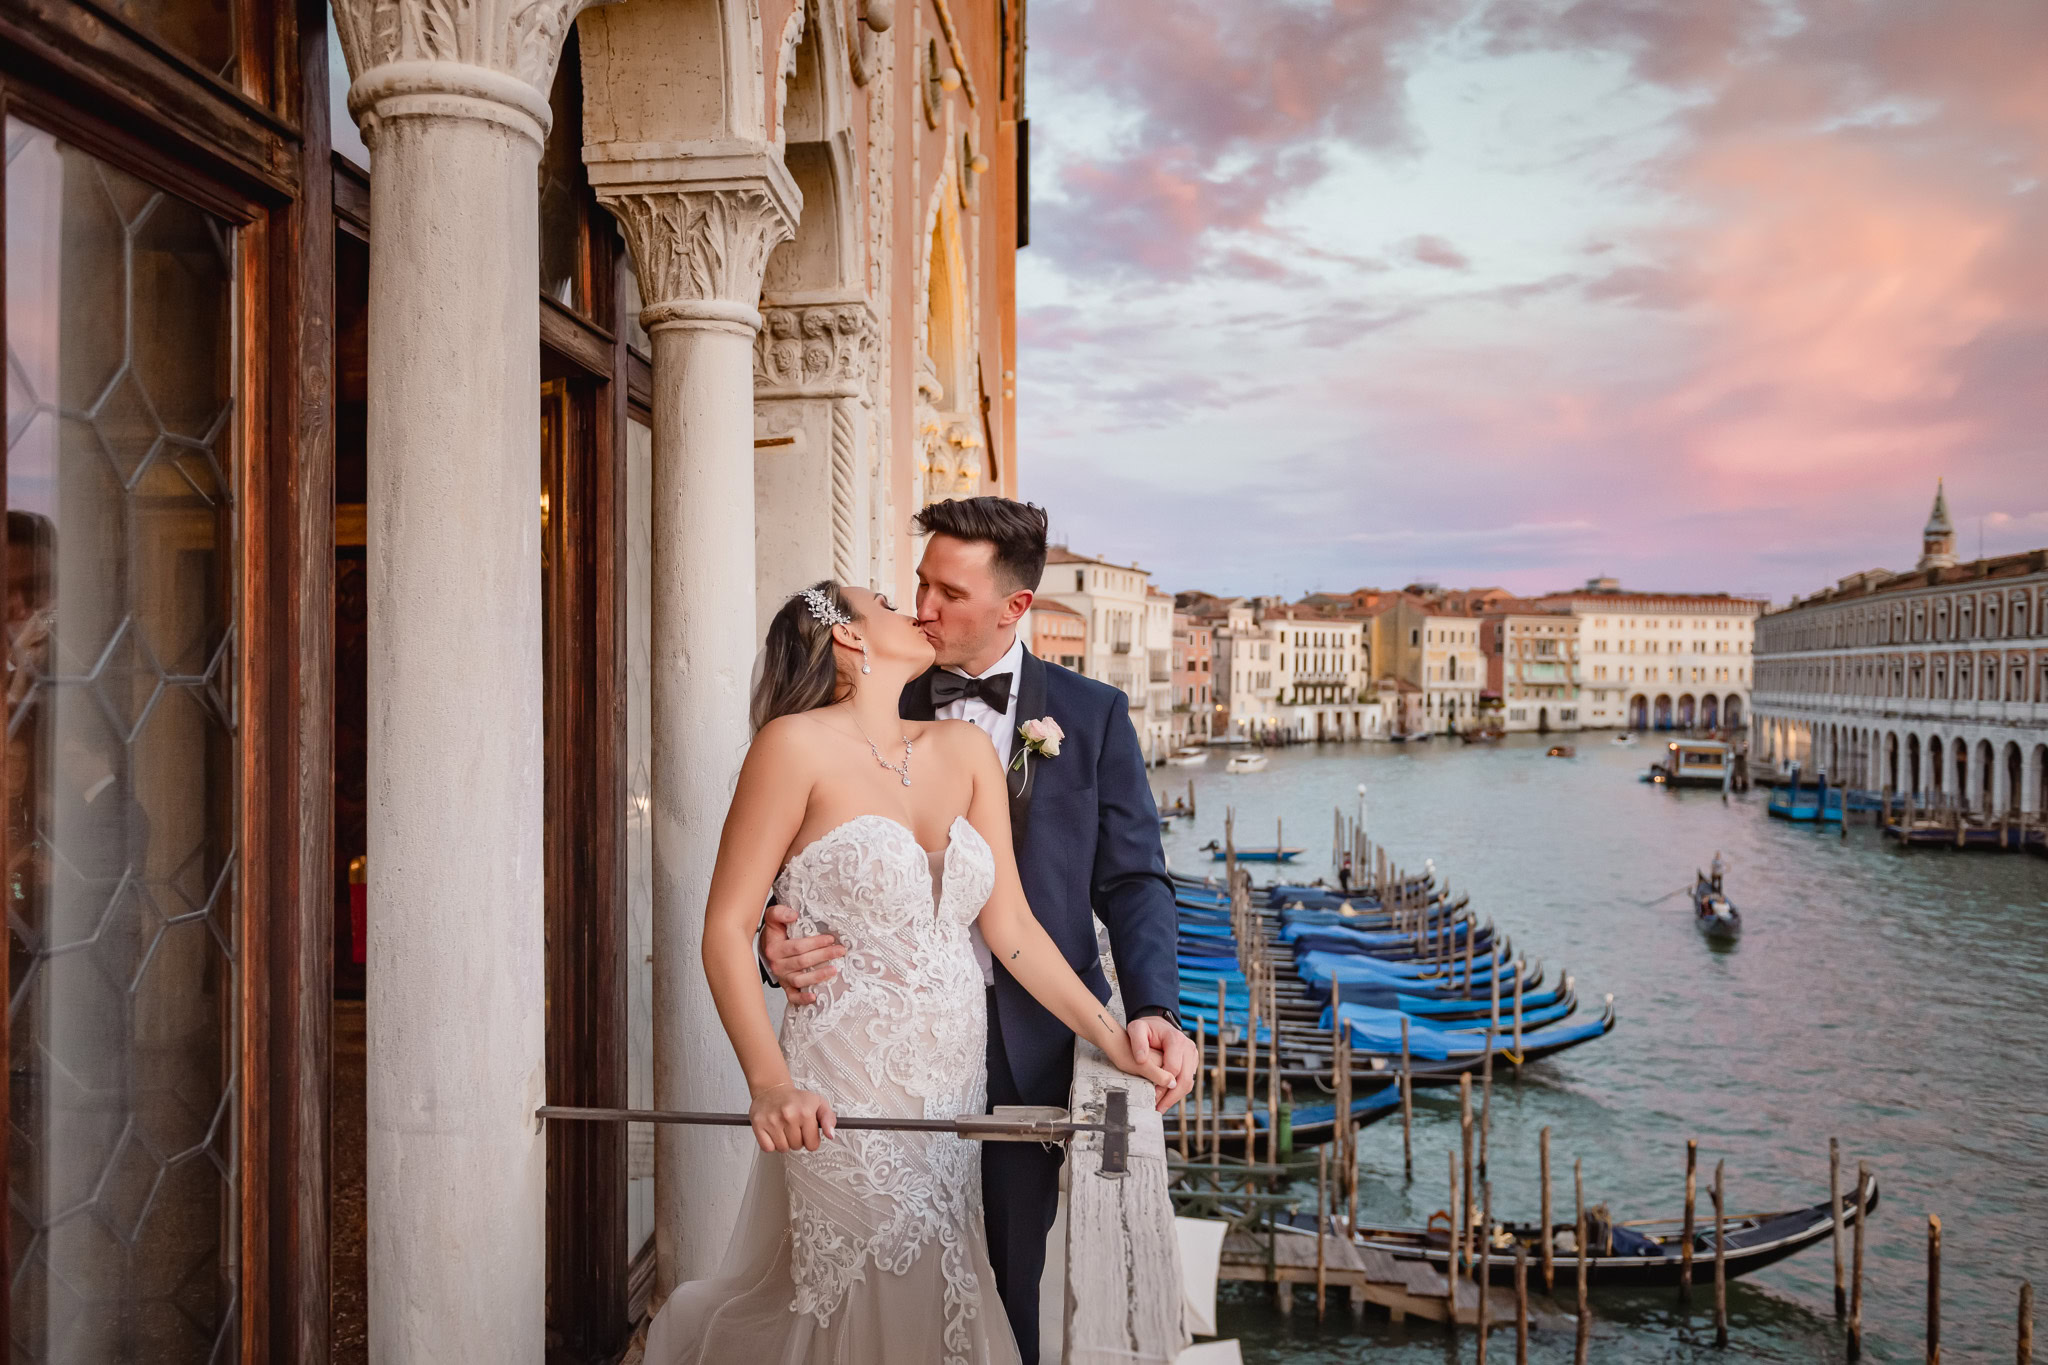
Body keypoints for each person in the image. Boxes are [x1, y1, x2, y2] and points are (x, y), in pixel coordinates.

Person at [642, 578, 1175, 1365]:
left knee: (942, 1282)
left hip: (951, 1084)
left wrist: (1117, 1036)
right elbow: (727, 927)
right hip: (846, 1076)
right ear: (852, 639)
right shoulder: (790, 747)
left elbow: (1015, 929)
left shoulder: (961, 751)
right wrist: (769, 1083)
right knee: (868, 1287)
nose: (914, 609)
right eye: (890, 603)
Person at [762, 497, 1198, 1359]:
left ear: (1015, 607)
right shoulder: (865, 694)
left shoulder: (1095, 711)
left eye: (947, 593)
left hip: (1030, 1038)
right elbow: (792, 864)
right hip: (868, 1059)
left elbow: (1135, 878)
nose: (922, 607)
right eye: (916, 585)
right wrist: (776, 942)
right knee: (862, 1287)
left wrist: (1151, 1012)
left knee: (1002, 1281)